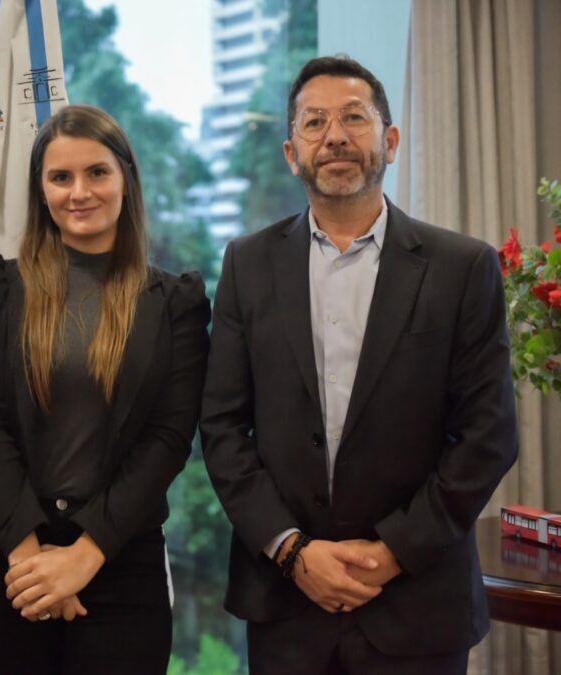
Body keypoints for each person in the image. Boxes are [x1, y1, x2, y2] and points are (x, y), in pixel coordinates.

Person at [200, 55, 518, 674]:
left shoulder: (462, 268)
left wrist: (391, 552)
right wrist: (292, 551)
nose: (335, 137)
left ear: (390, 141)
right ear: (292, 153)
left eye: (354, 118)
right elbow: (221, 427)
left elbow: (488, 435)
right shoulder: (247, 264)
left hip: (418, 603)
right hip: (286, 604)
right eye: (314, 122)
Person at [0, 104, 210, 674]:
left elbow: (168, 439)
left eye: (97, 172)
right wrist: (32, 562)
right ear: (41, 189)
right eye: (60, 177)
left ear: (126, 178)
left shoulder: (176, 303)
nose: (79, 192)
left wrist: (83, 557)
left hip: (121, 564)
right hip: (10, 562)